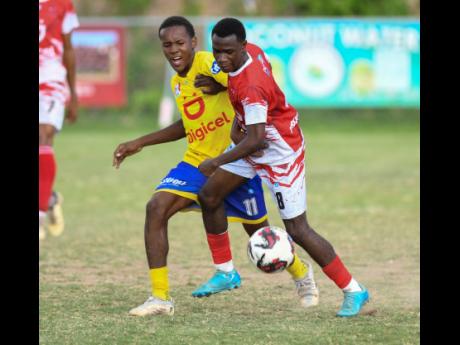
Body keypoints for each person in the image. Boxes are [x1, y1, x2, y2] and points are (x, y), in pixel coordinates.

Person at [112, 16, 319, 317]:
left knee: (259, 233)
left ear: (194, 43)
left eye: (180, 43)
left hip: (234, 161)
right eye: (167, 45)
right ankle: (160, 297)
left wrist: (220, 87)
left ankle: (302, 275)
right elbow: (188, 124)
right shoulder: (177, 81)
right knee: (156, 208)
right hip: (197, 160)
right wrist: (140, 142)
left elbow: (244, 83)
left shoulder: (212, 62)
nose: (174, 50)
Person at [196, 18, 370, 317]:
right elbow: (251, 128)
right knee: (210, 195)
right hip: (257, 142)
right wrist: (233, 110)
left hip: (280, 154)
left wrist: (216, 160)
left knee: (299, 230)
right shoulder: (253, 51)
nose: (221, 58)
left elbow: (255, 139)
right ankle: (226, 272)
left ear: (241, 46)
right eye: (216, 51)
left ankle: (354, 290)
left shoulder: (251, 86)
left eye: (227, 52)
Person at [39, 0, 79, 240]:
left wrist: (73, 94)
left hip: (51, 79)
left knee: (44, 135)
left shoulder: (62, 3)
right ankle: (49, 197)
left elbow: (69, 48)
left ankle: (40, 214)